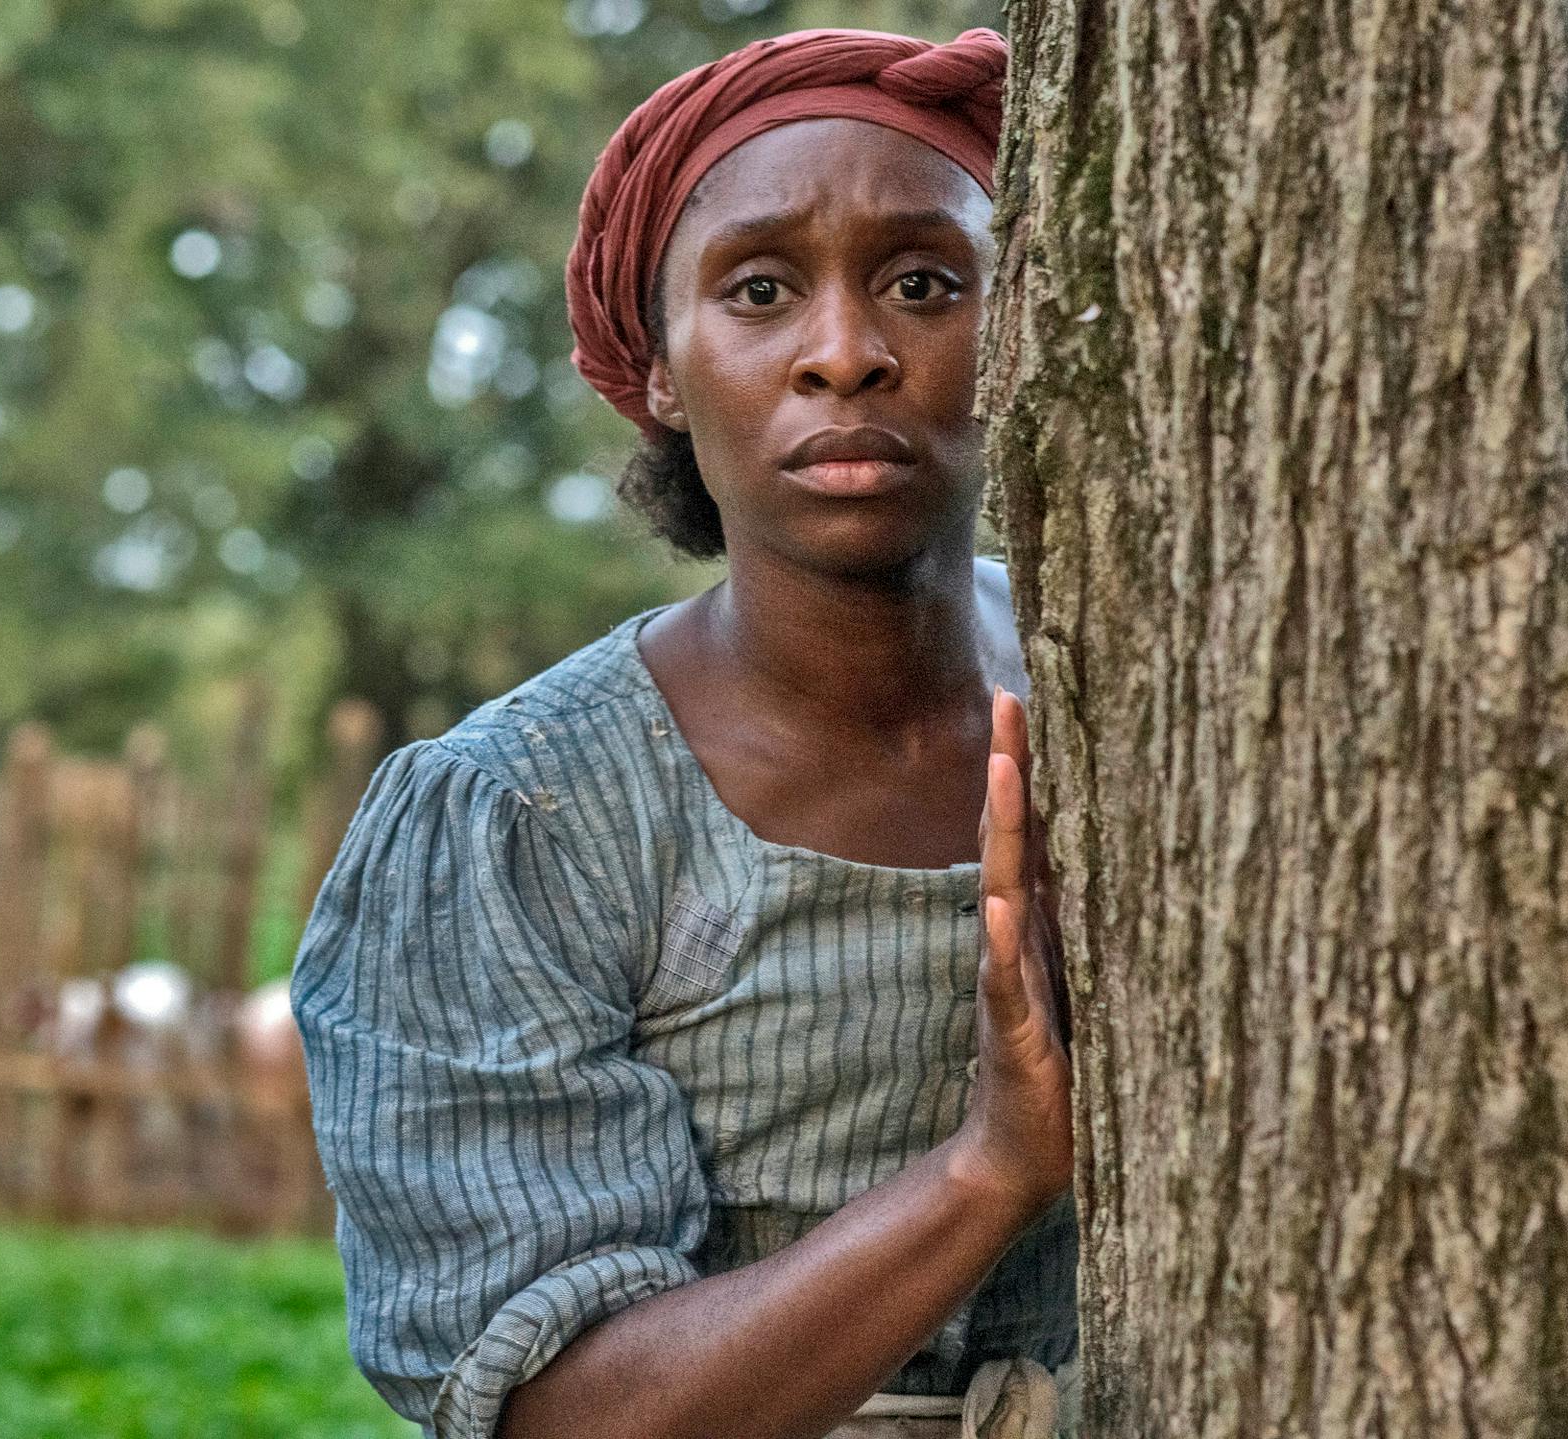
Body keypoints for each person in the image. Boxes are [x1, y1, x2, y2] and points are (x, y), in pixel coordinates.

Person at [290, 27, 1078, 1439]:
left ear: (1012, 327)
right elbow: (556, 1414)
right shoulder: (519, 818)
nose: (845, 355)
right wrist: (988, 1170)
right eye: (760, 290)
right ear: (660, 368)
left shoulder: (1118, 694)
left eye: (923, 283)